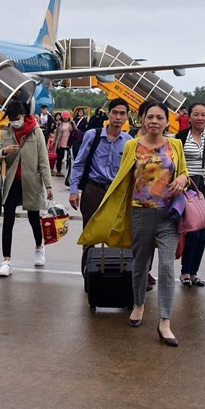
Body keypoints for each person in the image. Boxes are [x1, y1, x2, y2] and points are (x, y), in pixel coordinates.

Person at [81, 100, 188, 345]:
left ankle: (165, 321)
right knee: (140, 264)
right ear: (142, 119)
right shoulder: (131, 145)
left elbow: (183, 172)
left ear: (166, 121)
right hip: (140, 212)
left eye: (160, 117)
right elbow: (122, 178)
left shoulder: (175, 145)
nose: (154, 121)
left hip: (169, 215)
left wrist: (183, 178)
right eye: (150, 117)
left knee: (167, 267)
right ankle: (139, 304)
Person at [68, 98, 132, 281]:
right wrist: (74, 190)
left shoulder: (129, 141)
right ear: (108, 114)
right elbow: (79, 163)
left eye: (122, 114)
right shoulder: (92, 135)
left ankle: (113, 277)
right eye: (115, 113)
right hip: (93, 190)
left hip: (116, 193)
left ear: (127, 117)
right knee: (90, 235)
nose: (118, 117)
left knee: (116, 234)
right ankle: (88, 276)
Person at [0, 100, 54, 277]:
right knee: (8, 220)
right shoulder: (6, 132)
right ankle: (6, 261)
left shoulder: (36, 132)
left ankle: (39, 246)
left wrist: (48, 185)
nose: (14, 122)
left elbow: (43, 160)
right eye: (11, 118)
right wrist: (4, 151)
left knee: (33, 219)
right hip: (12, 182)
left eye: (17, 118)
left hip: (31, 181)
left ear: (24, 115)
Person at [175, 102, 205, 287]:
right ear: (189, 117)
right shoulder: (180, 137)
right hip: (188, 191)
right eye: (196, 114)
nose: (200, 118)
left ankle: (194, 273)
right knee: (192, 231)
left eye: (203, 114)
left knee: (203, 232)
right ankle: (185, 272)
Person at [53, 110, 74, 176]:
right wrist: (54, 141)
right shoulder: (59, 123)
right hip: (60, 142)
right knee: (59, 157)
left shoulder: (72, 123)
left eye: (66, 118)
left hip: (69, 142)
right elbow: (56, 133)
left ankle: (70, 171)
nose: (65, 119)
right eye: (64, 118)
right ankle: (58, 170)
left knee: (70, 157)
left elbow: (76, 131)